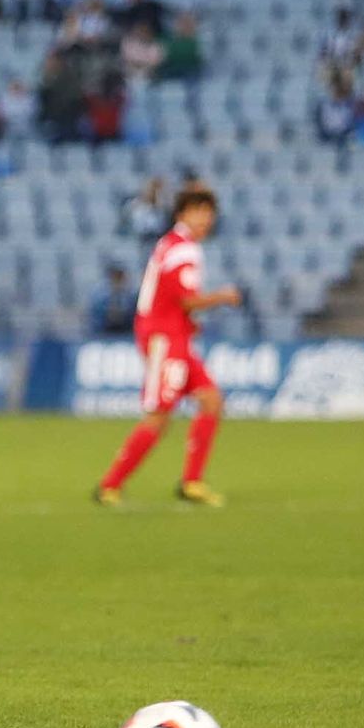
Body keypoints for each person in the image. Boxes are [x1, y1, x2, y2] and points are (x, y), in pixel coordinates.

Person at [95, 189, 242, 508]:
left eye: (209, 212)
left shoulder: (173, 246)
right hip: (164, 338)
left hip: (174, 335)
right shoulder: (183, 250)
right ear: (181, 214)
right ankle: (110, 484)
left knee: (211, 400)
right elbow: (187, 299)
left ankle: (191, 482)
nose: (206, 219)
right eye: (199, 211)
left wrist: (187, 322)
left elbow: (174, 301)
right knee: (159, 415)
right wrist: (223, 297)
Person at [90, 265, 134, 335]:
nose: (118, 283)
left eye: (120, 279)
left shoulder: (131, 298)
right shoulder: (100, 299)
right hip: (104, 335)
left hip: (126, 335)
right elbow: (97, 321)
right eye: (116, 279)